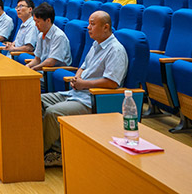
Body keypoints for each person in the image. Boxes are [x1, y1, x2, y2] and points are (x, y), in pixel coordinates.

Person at [40, 11, 127, 168]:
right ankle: (39, 143)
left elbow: (112, 82)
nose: (88, 27)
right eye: (89, 23)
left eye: (92, 24)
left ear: (106, 27)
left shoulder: (116, 50)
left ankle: (46, 152)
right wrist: (77, 78)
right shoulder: (96, 45)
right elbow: (83, 67)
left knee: (53, 112)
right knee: (37, 100)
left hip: (91, 99)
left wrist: (84, 84)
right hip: (76, 92)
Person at [25, 3, 72, 73]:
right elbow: (37, 59)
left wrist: (34, 68)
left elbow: (51, 62)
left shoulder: (59, 36)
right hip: (43, 69)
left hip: (54, 72)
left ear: (48, 20)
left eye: (38, 21)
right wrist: (28, 66)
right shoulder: (40, 35)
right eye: (35, 21)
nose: (36, 24)